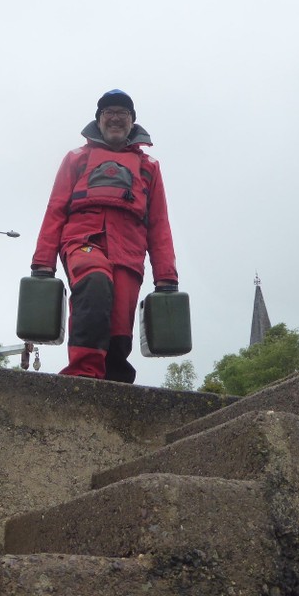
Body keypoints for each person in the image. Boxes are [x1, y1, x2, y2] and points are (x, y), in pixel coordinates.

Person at [30, 88, 179, 383]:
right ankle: (83, 374)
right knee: (95, 282)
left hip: (129, 254)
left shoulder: (149, 167)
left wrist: (166, 278)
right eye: (108, 113)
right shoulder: (76, 159)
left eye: (122, 113)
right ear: (98, 120)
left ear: (132, 121)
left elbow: (159, 224)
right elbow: (56, 209)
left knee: (119, 323)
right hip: (83, 243)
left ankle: (114, 379)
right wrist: (42, 263)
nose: (115, 118)